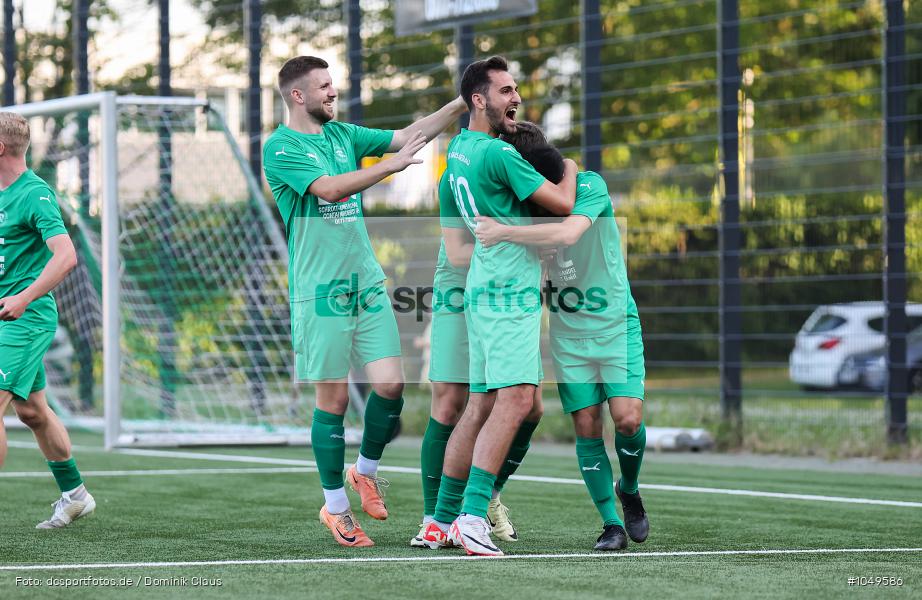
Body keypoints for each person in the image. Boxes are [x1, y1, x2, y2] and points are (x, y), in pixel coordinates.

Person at [262, 56, 467, 548]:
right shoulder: (281, 147)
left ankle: (365, 471)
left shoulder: (343, 136)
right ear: (298, 95)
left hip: (367, 283)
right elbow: (328, 189)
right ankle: (335, 511)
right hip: (321, 291)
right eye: (325, 87)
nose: (333, 93)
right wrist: (388, 170)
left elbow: (408, 135)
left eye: (333, 85)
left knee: (392, 385)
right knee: (331, 400)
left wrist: (462, 100)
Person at [421, 56, 577, 557]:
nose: (515, 98)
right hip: (509, 288)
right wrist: (570, 168)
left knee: (484, 403)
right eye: (505, 91)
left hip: (482, 287)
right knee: (514, 401)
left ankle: (441, 519)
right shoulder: (498, 154)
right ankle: (472, 516)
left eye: (516, 90)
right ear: (478, 100)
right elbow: (563, 204)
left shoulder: (459, 152)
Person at [474, 121, 649, 551]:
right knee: (587, 426)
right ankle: (611, 524)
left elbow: (570, 231)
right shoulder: (524, 202)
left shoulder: (589, 185)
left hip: (614, 325)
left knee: (628, 418)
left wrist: (506, 232)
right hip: (569, 333)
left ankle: (629, 489)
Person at [0, 111, 94, 529]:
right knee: (33, 411)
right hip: (7, 318)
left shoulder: (35, 194)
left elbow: (65, 255)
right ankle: (75, 496)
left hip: (25, 318)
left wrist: (23, 296)